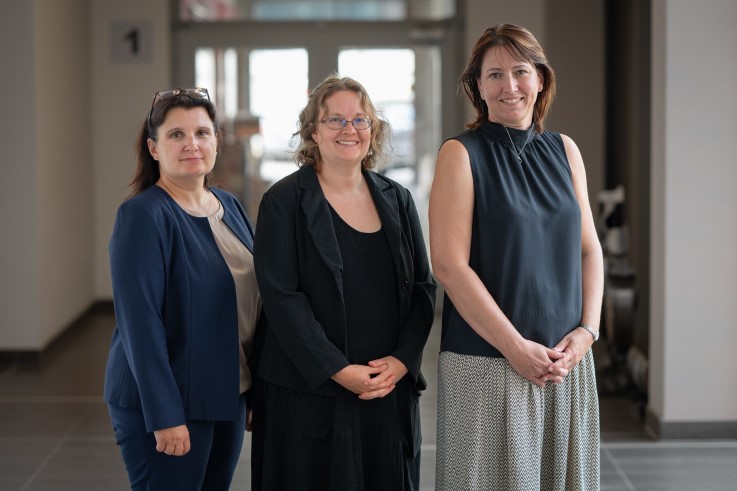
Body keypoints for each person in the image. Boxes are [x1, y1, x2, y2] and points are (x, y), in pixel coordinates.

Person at [429, 24, 604, 490]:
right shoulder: (460, 154)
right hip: (486, 363)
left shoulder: (566, 151)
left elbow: (590, 249)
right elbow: (448, 263)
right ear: (478, 87)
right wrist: (514, 348)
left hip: (564, 363)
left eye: (521, 72)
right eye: (494, 75)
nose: (509, 86)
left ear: (541, 80)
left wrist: (587, 332)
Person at [250, 75, 436, 490]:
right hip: (308, 390)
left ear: (373, 130)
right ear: (312, 131)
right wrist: (336, 369)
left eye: (360, 120)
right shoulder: (283, 201)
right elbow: (282, 297)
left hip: (385, 388)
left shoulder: (398, 199)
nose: (349, 130)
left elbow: (423, 288)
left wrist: (403, 360)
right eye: (334, 120)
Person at [104, 87, 260, 490]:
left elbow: (250, 306)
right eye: (176, 135)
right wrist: (165, 415)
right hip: (167, 400)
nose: (192, 144)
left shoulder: (228, 205)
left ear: (215, 142)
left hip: (226, 390)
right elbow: (141, 325)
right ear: (154, 148)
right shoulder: (142, 216)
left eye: (202, 133)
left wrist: (253, 389)